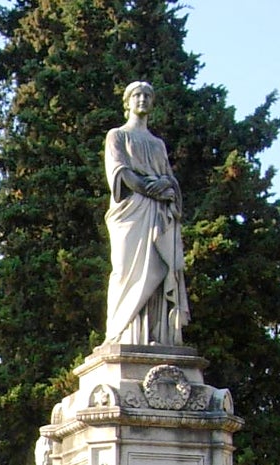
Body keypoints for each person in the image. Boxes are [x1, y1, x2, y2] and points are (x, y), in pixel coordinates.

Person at [104, 80, 189, 346]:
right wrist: (150, 189)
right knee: (124, 271)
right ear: (127, 102)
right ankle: (121, 333)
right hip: (131, 213)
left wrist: (167, 185)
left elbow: (169, 178)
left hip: (157, 213)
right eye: (136, 95)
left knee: (157, 269)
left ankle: (154, 335)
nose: (142, 99)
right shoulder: (117, 135)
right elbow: (120, 172)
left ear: (152, 103)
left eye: (147, 95)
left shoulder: (157, 144)